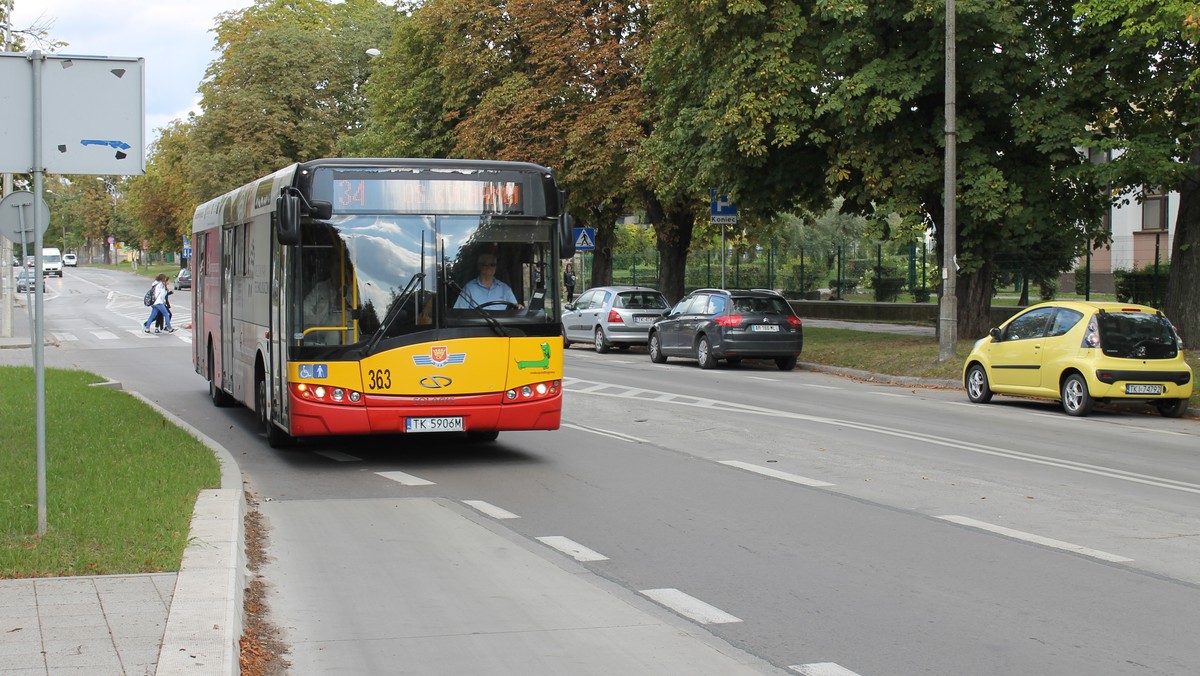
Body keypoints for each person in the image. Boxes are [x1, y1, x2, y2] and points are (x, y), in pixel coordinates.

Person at [455, 253, 522, 309]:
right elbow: (459, 313)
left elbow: (515, 308)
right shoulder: (469, 288)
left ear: (496, 267)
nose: (489, 267)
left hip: (500, 324)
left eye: (492, 264)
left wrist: (518, 307)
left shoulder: (504, 288)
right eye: (485, 264)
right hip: (476, 324)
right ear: (479, 266)